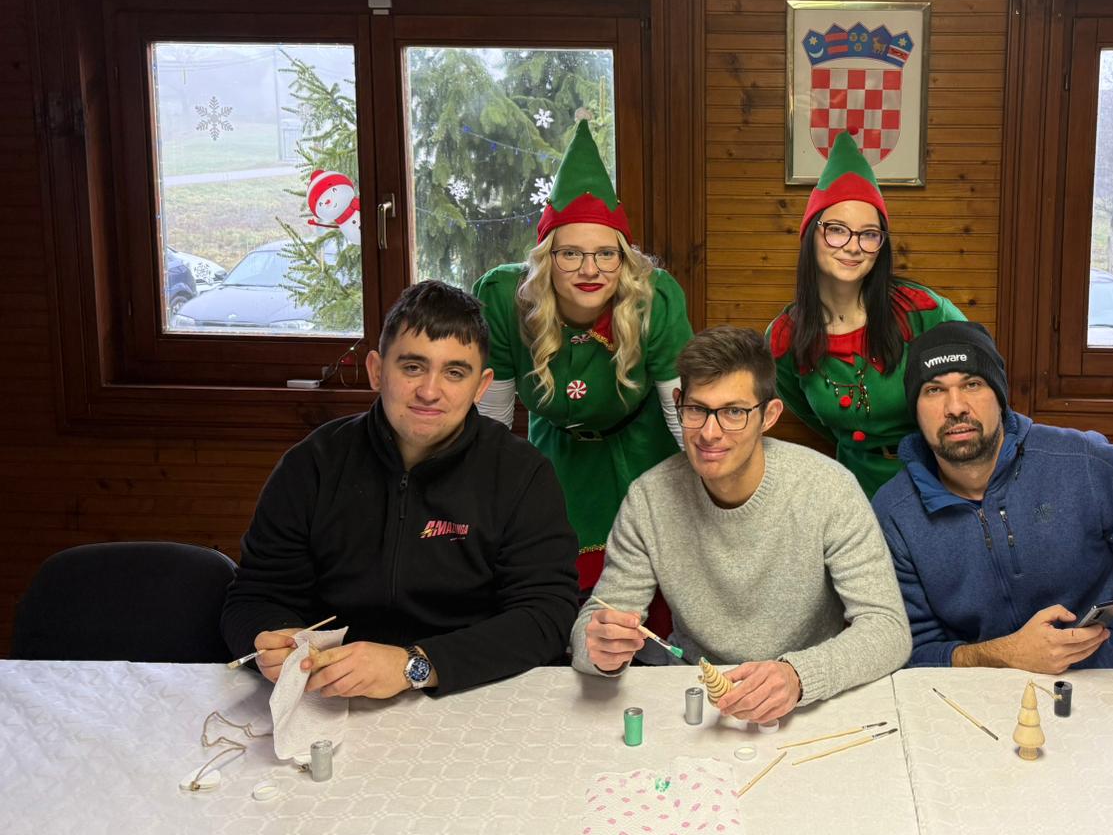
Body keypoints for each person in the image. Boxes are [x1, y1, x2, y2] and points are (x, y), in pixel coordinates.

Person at [220, 280, 578, 697]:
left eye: (455, 373)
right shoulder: (312, 464)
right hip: (329, 693)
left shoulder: (522, 473)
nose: (429, 391)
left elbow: (546, 616)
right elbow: (253, 596)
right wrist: (271, 638)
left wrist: (415, 665)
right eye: (412, 367)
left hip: (472, 693)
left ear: (481, 386)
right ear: (377, 370)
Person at [572, 326, 911, 722]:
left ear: (769, 416)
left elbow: (888, 629)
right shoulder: (649, 499)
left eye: (734, 412)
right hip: (696, 697)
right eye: (697, 409)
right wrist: (599, 649)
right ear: (678, 404)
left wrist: (798, 675)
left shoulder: (829, 488)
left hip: (807, 702)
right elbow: (594, 622)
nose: (709, 433)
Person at [873, 320, 1113, 688]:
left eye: (972, 384)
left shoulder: (1084, 461)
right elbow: (910, 652)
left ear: (999, 396)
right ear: (916, 410)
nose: (955, 407)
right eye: (934, 390)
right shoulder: (894, 514)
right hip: (982, 698)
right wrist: (1005, 655)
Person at [473, 121, 692, 593]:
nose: (590, 270)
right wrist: (487, 504)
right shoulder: (506, 298)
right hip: (554, 458)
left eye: (606, 254)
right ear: (546, 258)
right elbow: (492, 421)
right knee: (551, 586)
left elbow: (684, 417)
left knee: (643, 590)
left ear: (624, 259)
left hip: (642, 454)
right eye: (570, 254)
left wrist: (705, 508)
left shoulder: (654, 300)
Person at [766, 133, 966, 497]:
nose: (853, 246)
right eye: (837, 230)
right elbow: (809, 414)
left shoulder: (922, 311)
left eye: (869, 234)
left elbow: (981, 380)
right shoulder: (784, 337)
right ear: (811, 235)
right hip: (854, 487)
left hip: (936, 481)